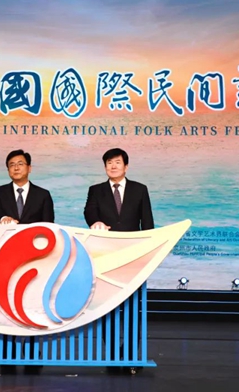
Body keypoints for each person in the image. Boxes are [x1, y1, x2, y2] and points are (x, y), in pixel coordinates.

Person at [83, 147, 154, 373]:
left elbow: (148, 224)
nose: (113, 166)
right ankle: (114, 355)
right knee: (106, 308)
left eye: (117, 162)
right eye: (109, 163)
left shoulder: (139, 189)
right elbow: (89, 213)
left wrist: (148, 255)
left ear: (126, 166)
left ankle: (130, 355)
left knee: (133, 309)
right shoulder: (96, 190)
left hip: (134, 258)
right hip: (106, 258)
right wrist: (95, 222)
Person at [0, 149, 54, 375]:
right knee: (7, 306)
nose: (16, 167)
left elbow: (49, 226)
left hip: (35, 260)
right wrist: (2, 218)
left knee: (33, 306)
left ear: (29, 168)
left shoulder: (43, 195)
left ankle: (33, 354)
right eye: (11, 164)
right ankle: (8, 354)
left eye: (20, 163)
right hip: (7, 258)